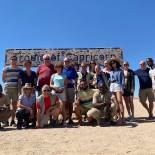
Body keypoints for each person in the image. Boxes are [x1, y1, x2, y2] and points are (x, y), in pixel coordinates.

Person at [2, 55, 22, 126]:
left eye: (15, 59)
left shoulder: (19, 69)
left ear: (16, 60)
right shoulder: (6, 68)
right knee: (6, 105)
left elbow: (20, 79)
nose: (13, 60)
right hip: (7, 88)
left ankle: (13, 121)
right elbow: (3, 78)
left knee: (14, 106)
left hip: (15, 89)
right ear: (10, 60)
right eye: (12, 59)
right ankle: (6, 120)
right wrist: (7, 83)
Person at [108, 57, 125, 124]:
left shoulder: (120, 70)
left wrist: (122, 88)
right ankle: (119, 118)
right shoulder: (111, 71)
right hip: (112, 86)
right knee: (115, 103)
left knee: (120, 101)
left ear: (116, 63)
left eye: (114, 62)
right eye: (111, 63)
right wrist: (110, 80)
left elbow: (123, 80)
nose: (113, 64)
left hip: (118, 85)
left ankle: (123, 118)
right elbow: (110, 79)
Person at [63, 57, 78, 124]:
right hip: (63, 88)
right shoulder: (61, 69)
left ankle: (70, 119)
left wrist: (69, 81)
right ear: (63, 62)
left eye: (67, 61)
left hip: (71, 88)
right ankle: (65, 118)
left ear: (69, 62)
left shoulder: (72, 69)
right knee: (64, 104)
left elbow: (76, 78)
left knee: (70, 103)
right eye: (65, 61)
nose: (66, 62)